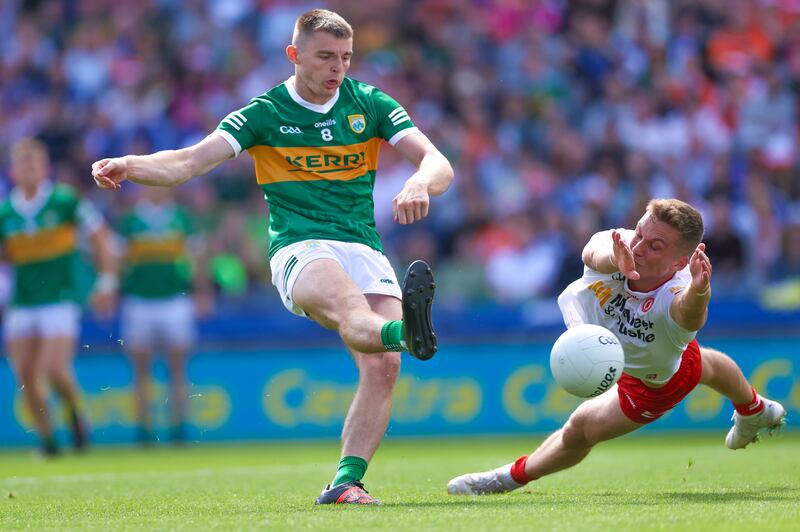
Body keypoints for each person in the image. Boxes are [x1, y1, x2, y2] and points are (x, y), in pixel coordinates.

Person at [91, 9, 453, 504]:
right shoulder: (264, 113)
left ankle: (345, 482)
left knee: (384, 367)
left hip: (363, 245)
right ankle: (407, 331)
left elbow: (438, 162)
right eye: (325, 56)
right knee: (355, 316)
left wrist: (417, 181)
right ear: (294, 55)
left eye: (345, 58)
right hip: (301, 247)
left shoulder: (369, 103)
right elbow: (189, 162)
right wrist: (129, 165)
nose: (337, 68)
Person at [448, 199, 786, 496]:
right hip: (623, 353)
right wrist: (616, 260)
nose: (639, 247)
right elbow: (591, 253)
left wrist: (699, 291)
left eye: (655, 246)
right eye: (640, 232)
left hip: (653, 383)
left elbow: (689, 314)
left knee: (580, 429)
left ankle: (505, 479)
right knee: (705, 365)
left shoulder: (677, 294)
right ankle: (754, 410)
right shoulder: (620, 244)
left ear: (678, 264)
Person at [1, 138, 117, 456]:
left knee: (52, 369)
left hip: (60, 299)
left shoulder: (65, 201)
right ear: (13, 171)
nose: (29, 170)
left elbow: (101, 239)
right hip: (22, 303)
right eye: (23, 164)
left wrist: (106, 283)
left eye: (35, 164)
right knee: (25, 375)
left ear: (45, 168)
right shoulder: (6, 212)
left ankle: (75, 414)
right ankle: (48, 441)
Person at [117, 186, 213, 445]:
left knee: (177, 368)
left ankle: (178, 427)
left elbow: (198, 258)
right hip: (138, 301)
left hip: (176, 300)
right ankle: (144, 428)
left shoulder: (182, 218)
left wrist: (202, 292)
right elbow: (118, 262)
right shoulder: (129, 221)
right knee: (141, 370)